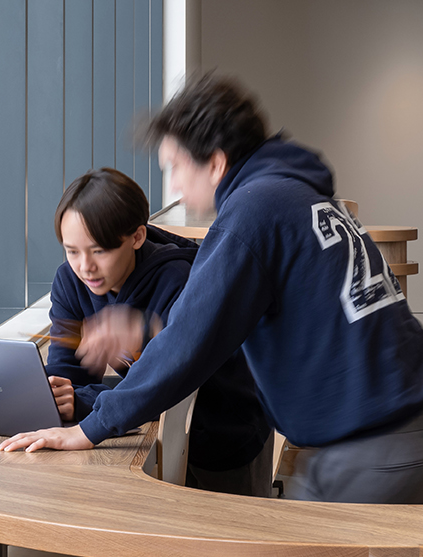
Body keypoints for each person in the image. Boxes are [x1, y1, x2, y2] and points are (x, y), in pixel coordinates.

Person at [0, 73, 423, 506]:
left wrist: (88, 429)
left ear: (216, 163)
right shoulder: (291, 194)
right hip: (404, 433)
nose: (174, 185)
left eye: (177, 167)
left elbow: (187, 341)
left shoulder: (252, 213)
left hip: (378, 450)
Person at [45, 168, 273, 498]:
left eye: (99, 250)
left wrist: (80, 403)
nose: (85, 267)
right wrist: (58, 396)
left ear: (137, 237)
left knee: (240, 541)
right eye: (72, 250)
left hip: (227, 427)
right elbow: (67, 374)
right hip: (155, 428)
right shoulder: (69, 282)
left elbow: (165, 383)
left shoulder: (180, 281)